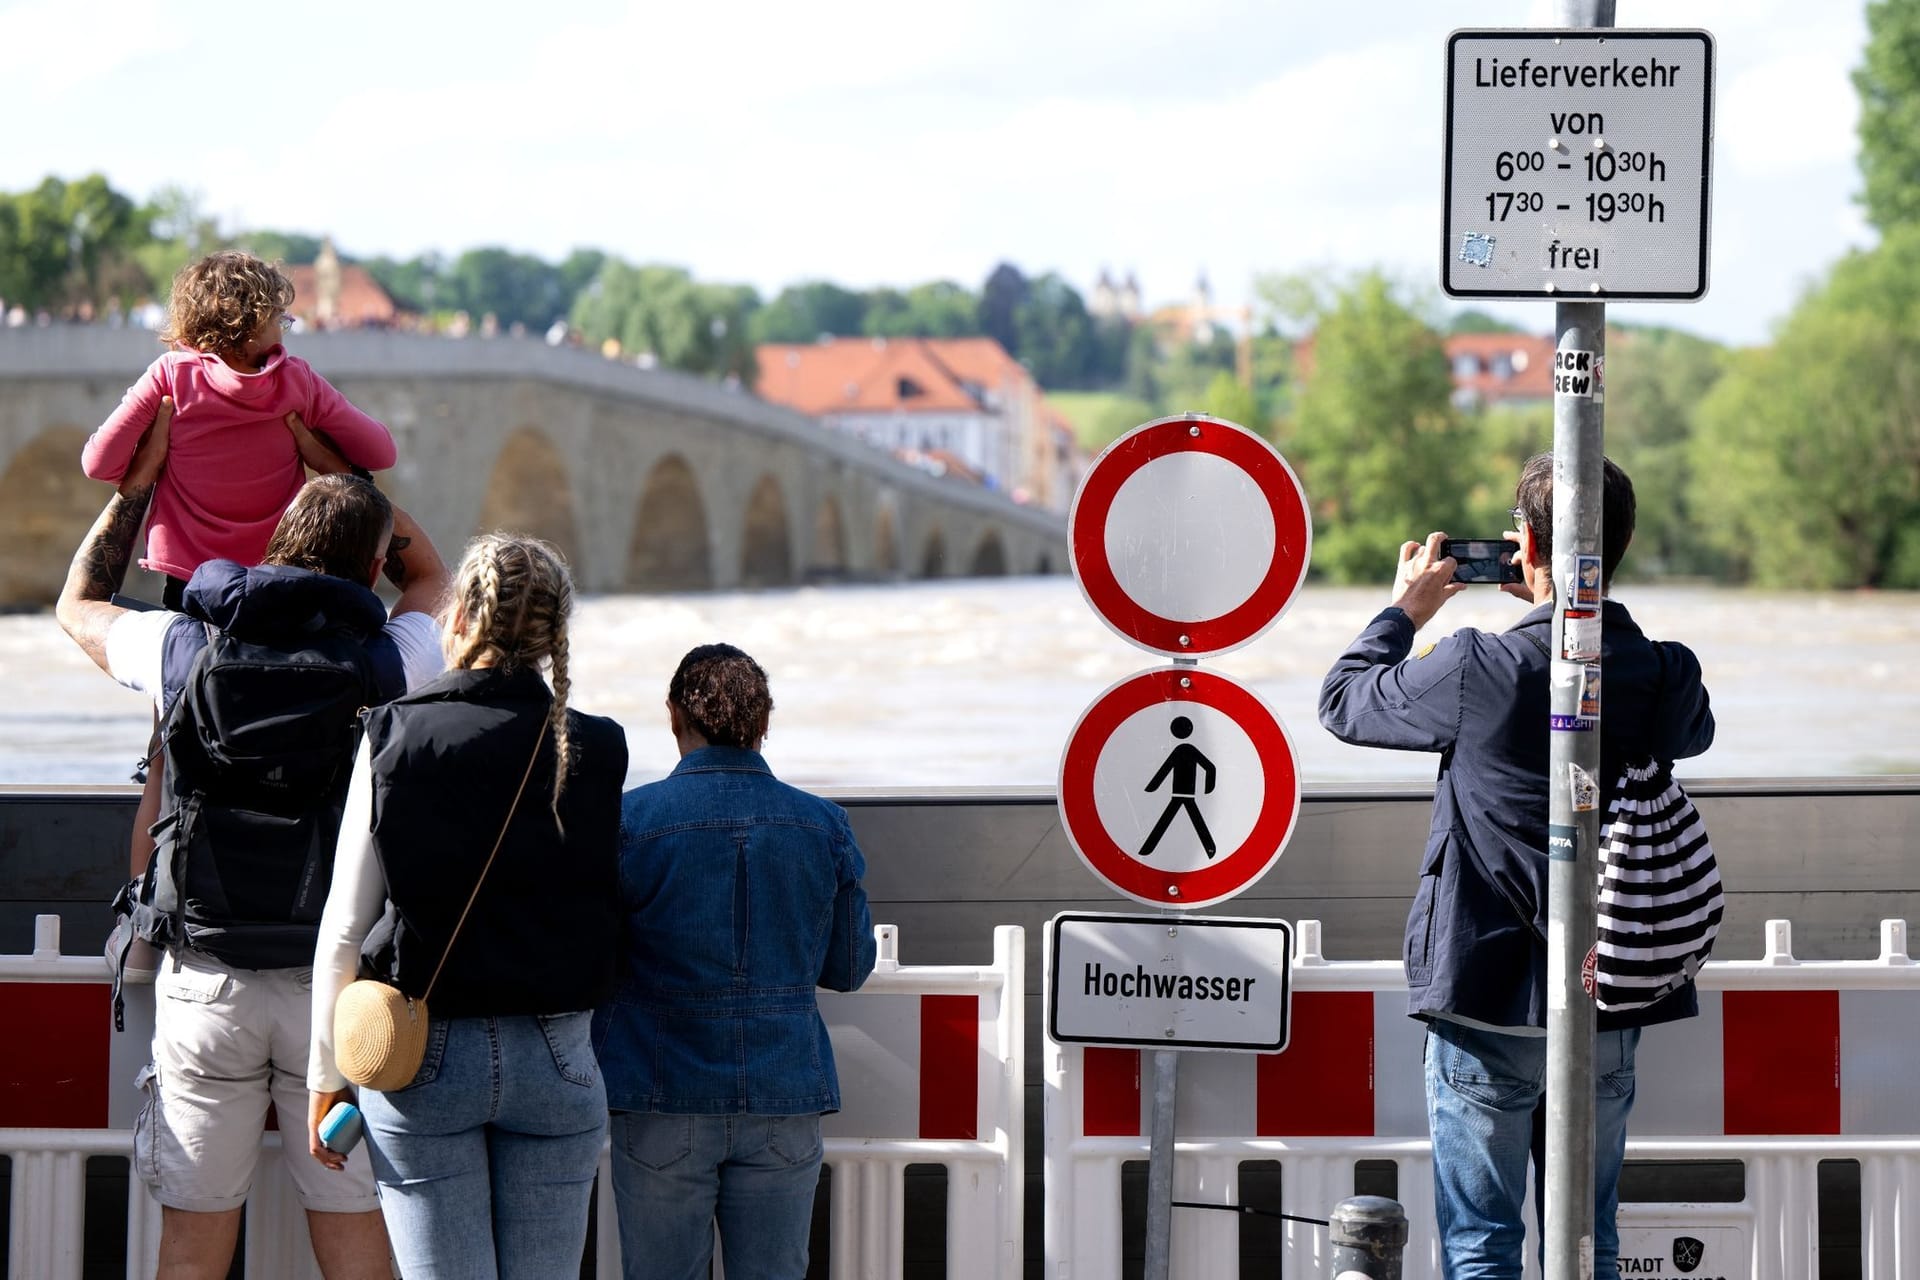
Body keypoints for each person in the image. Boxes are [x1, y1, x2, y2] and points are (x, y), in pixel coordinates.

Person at [55, 402, 447, 1280]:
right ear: (370, 564)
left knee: (191, 1252)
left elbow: (78, 604)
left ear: (276, 543)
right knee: (355, 1248)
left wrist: (139, 489)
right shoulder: (389, 663)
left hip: (209, 983)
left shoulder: (182, 651)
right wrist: (341, 473)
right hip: (337, 999)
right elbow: (437, 584)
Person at [1316, 454, 1714, 1280]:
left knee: (1481, 1245)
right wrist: (1562, 605)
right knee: (1587, 1240)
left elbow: (1345, 703)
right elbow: (1692, 733)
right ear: (1623, 544)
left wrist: (1405, 610)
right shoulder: (1666, 669)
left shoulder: (1477, 666)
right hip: (1611, 994)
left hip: (1490, 995)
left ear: (1523, 545)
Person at [308, 534, 627, 1280]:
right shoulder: (599, 748)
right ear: (554, 635)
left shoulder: (396, 733)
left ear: (459, 620)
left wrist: (325, 1076)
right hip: (558, 1055)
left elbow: (346, 926)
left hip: (424, 1053)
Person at [593, 644, 877, 1280]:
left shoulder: (629, 822)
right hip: (783, 1091)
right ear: (765, 722)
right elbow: (850, 967)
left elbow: (595, 959)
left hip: (661, 1090)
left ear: (673, 716)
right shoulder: (823, 824)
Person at [81, 250, 397, 607]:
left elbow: (98, 464)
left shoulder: (170, 376)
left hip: (190, 581)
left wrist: (151, 457)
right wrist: (318, 448)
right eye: (281, 319)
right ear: (253, 325)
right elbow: (381, 452)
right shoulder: (296, 381)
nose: (284, 329)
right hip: (275, 577)